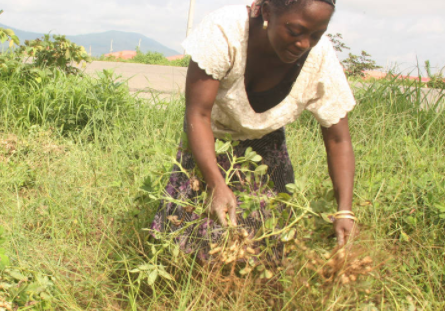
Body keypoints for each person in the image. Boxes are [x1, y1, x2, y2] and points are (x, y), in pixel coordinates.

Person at [151, 0, 357, 261]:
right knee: (188, 230)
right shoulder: (224, 30)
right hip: (207, 133)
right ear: (267, 11)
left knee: (272, 229)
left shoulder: (320, 58)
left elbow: (339, 139)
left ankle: (254, 288)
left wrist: (344, 211)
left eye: (316, 35)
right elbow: (198, 113)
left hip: (266, 140)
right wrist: (215, 182)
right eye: (295, 31)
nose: (304, 44)